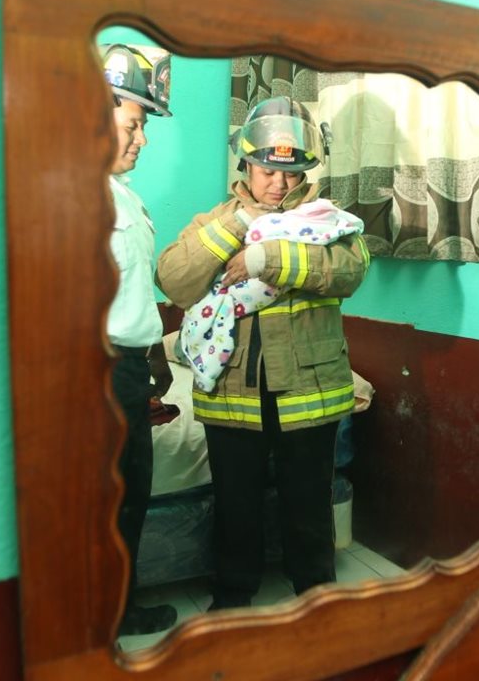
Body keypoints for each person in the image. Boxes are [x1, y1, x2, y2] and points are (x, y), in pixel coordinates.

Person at [157, 96, 370, 610]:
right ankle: (231, 600)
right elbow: (174, 280)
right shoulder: (215, 220)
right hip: (233, 396)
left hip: (309, 394)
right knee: (236, 506)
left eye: (291, 172)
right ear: (246, 165)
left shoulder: (329, 222)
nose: (278, 183)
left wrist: (264, 256)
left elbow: (348, 271)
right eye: (267, 170)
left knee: (308, 506)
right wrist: (239, 226)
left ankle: (317, 601)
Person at [100, 43, 177, 636]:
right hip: (97, 373)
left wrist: (155, 355)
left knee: (132, 498)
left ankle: (118, 609)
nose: (142, 139)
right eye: (134, 124)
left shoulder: (124, 196)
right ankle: (105, 616)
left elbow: (131, 291)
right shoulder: (76, 195)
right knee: (109, 502)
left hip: (129, 368)